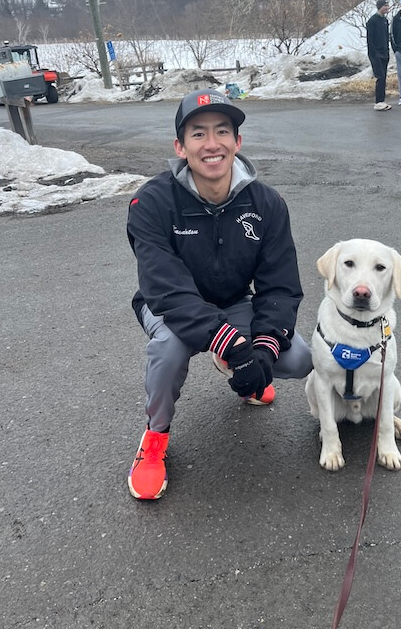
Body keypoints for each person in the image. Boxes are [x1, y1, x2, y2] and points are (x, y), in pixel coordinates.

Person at [126, 89, 313, 500]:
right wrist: (231, 343)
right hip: (165, 306)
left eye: (222, 132)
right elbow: (166, 289)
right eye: (198, 134)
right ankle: (154, 440)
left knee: (298, 358)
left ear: (237, 142)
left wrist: (261, 349)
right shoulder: (151, 202)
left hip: (232, 301)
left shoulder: (267, 203)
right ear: (180, 146)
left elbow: (279, 285)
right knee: (171, 349)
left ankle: (240, 366)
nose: (212, 144)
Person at [366, 0, 391, 111]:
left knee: (384, 77)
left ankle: (382, 100)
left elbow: (386, 37)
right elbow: (370, 39)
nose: (387, 8)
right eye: (385, 6)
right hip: (375, 54)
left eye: (387, 5)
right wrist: (374, 53)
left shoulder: (385, 20)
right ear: (380, 7)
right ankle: (378, 101)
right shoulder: (372, 20)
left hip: (384, 53)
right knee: (380, 77)